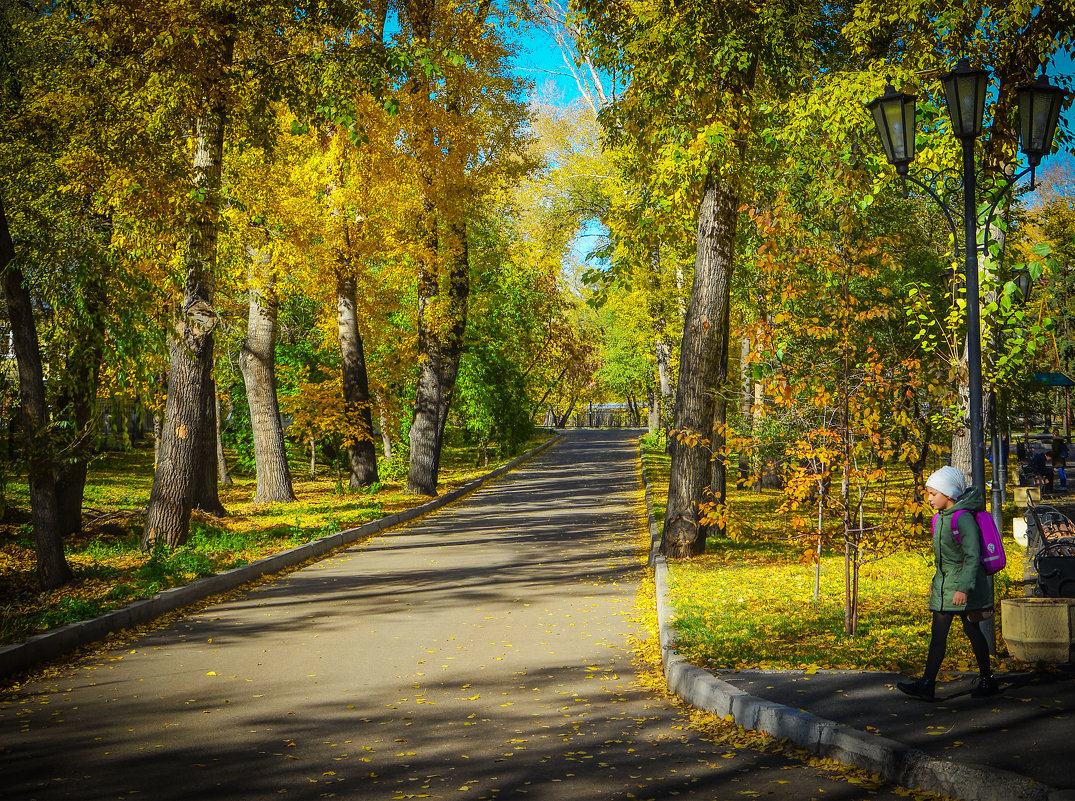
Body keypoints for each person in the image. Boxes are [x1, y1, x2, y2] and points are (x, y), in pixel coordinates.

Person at [897, 466, 998, 700]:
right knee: (940, 635)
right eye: (929, 494)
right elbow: (943, 558)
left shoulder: (962, 519)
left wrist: (963, 588)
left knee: (972, 631)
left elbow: (972, 557)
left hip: (963, 586)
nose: (929, 498)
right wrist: (936, 580)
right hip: (945, 585)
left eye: (934, 494)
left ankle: (986, 679)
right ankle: (928, 683)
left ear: (949, 494)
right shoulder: (940, 518)